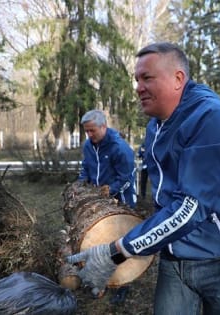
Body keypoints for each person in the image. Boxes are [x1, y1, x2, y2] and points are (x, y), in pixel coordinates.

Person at [67, 42, 220, 315]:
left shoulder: (210, 119)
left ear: (178, 78)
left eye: (147, 78)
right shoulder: (156, 124)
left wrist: (118, 250)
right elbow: (166, 198)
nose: (138, 87)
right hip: (175, 253)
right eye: (137, 79)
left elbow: (189, 209)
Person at [77, 109, 136, 304]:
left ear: (104, 126)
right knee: (97, 241)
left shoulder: (120, 148)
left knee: (120, 244)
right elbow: (85, 168)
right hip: (98, 201)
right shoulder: (88, 146)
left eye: (93, 130)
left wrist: (110, 191)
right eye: (87, 131)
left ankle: (123, 284)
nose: (89, 135)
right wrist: (81, 186)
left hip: (121, 200)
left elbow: (127, 178)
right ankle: (101, 280)